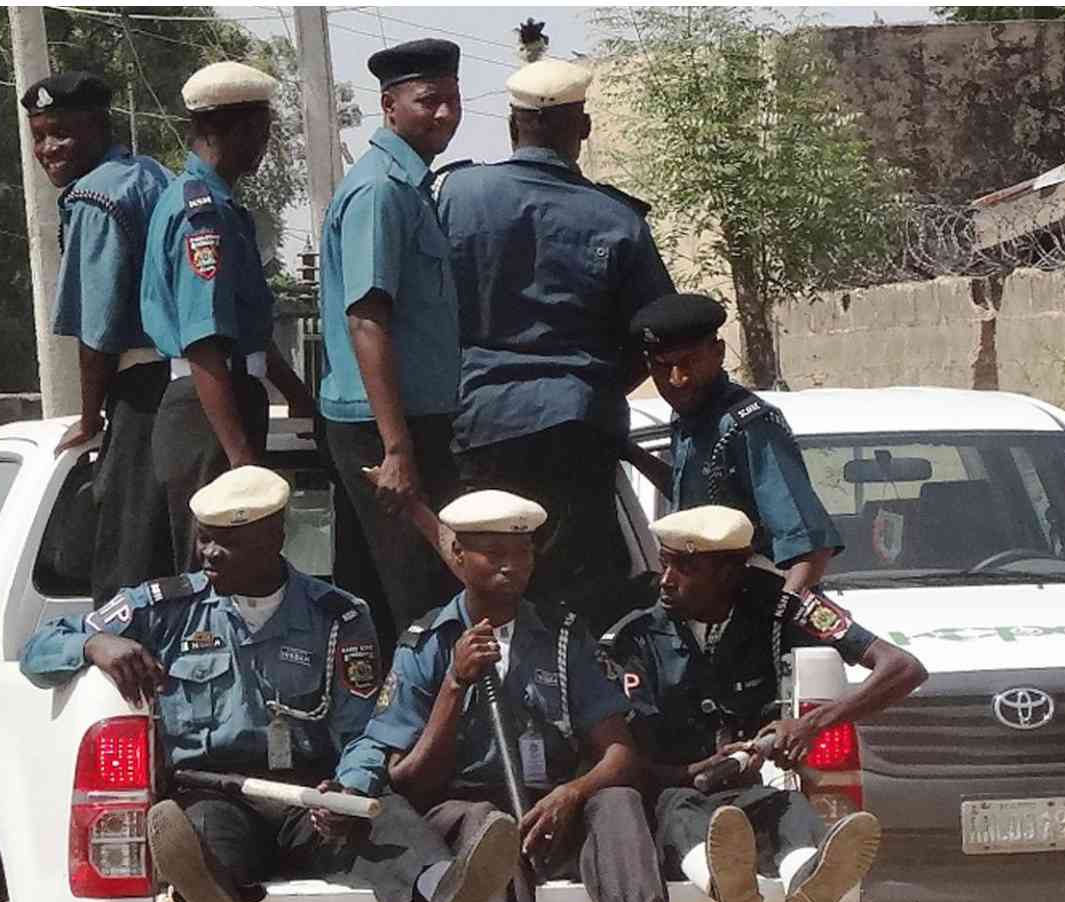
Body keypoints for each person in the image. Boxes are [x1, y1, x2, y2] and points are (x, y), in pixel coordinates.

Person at [20, 466, 517, 902]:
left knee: (385, 818)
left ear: (274, 538)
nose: (209, 554)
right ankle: (209, 891)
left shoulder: (339, 617)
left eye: (226, 542)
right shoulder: (165, 609)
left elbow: (365, 729)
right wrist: (95, 644)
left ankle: (444, 892)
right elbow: (38, 649)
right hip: (215, 790)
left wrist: (349, 788)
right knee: (203, 832)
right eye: (204, 538)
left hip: (311, 794)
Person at [334, 490, 727, 902]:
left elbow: (619, 753)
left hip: (549, 810)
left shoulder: (565, 637)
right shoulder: (425, 645)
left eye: (521, 552)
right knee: (486, 826)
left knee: (617, 799)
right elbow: (411, 780)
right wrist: (455, 685)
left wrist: (572, 793)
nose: (511, 566)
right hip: (465, 814)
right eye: (492, 553)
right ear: (457, 555)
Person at [432, 56, 675, 629]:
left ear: (511, 126)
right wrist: (593, 387)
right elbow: (658, 331)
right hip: (578, 427)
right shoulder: (617, 218)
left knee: (485, 586)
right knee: (579, 600)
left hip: (479, 422)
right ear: (582, 128)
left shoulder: (456, 194)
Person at [609, 505, 926, 902]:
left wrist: (811, 725)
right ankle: (728, 888)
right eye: (665, 563)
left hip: (747, 792)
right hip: (673, 794)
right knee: (680, 809)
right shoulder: (636, 638)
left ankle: (809, 885)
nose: (666, 580)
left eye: (685, 568)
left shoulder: (781, 607)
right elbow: (625, 760)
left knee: (789, 807)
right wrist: (695, 770)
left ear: (728, 573)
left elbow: (903, 669)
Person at [142, 61, 317, 569]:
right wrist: (240, 459)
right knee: (218, 569)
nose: (266, 145)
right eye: (262, 131)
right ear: (237, 130)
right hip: (208, 411)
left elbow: (248, 329)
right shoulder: (204, 215)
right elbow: (205, 344)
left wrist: (297, 395)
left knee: (241, 571)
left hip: (224, 399)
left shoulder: (216, 204)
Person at [319, 38, 466, 635]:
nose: (445, 114)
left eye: (453, 99)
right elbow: (366, 320)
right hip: (386, 430)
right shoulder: (380, 189)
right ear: (389, 105)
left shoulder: (409, 185)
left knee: (403, 605)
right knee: (422, 605)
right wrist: (397, 451)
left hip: (409, 425)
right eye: (428, 100)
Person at [22, 71, 177, 604]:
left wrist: (91, 419)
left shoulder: (95, 197)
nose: (48, 149)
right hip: (191, 383)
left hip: (143, 392)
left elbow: (98, 333)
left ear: (97, 126)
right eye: (39, 135)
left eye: (61, 133)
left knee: (126, 570)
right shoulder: (154, 175)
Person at [625, 294, 844, 594]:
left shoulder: (748, 426)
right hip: (704, 603)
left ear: (718, 353)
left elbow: (810, 548)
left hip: (752, 601)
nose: (677, 379)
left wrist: (778, 611)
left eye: (688, 362)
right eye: (663, 367)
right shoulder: (687, 417)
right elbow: (693, 496)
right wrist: (629, 452)